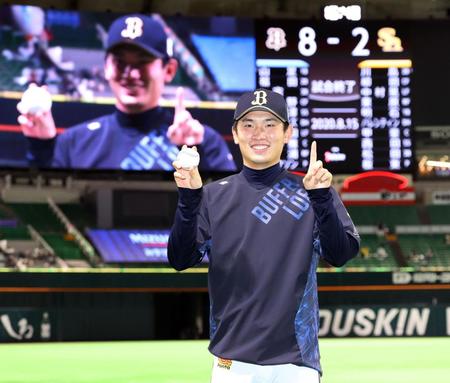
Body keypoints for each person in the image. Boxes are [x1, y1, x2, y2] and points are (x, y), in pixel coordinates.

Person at [168, 89, 360, 382]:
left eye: (270, 124)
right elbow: (180, 259)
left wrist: (321, 198)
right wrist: (189, 198)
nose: (259, 133)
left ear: (287, 133)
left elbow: (341, 254)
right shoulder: (211, 196)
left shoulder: (311, 190)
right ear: (235, 133)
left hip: (296, 362)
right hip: (232, 361)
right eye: (249, 124)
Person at [17, 13, 236, 171]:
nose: (130, 74)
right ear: (106, 67)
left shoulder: (203, 141)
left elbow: (230, 214)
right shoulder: (74, 142)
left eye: (142, 62)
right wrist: (41, 146)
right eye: (120, 62)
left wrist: (197, 155)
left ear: (168, 70)